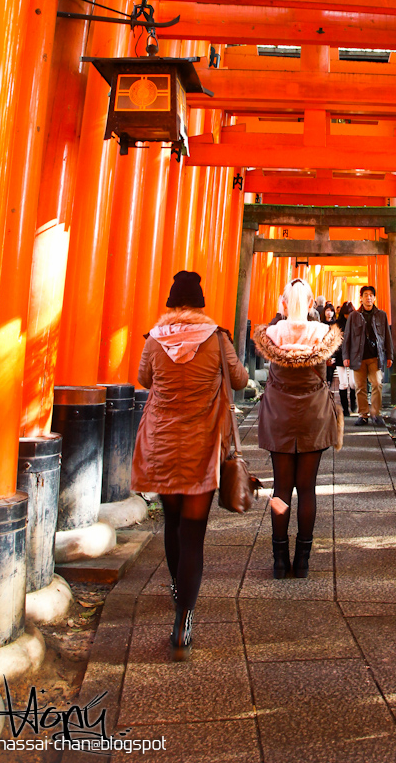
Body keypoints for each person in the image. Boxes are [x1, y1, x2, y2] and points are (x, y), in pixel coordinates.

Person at [131, 270, 249, 660]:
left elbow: (144, 379)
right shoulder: (216, 338)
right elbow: (239, 380)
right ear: (200, 304)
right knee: (193, 534)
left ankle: (176, 589)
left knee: (173, 523)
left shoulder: (154, 339)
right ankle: (183, 623)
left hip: (163, 443)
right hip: (202, 444)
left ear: (171, 304)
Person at [253, 279, 342, 579]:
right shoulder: (322, 333)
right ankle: (302, 560)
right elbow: (325, 374)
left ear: (284, 303)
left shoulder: (272, 334)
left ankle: (279, 560)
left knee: (281, 488)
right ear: (310, 303)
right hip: (313, 416)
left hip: (279, 415)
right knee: (307, 489)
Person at [342, 285, 394, 425]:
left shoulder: (381, 315)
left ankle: (376, 413)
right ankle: (363, 414)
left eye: (371, 295)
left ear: (374, 298)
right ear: (361, 298)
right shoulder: (354, 316)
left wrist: (390, 355)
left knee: (377, 383)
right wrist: (346, 357)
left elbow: (387, 336)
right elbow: (347, 337)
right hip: (358, 356)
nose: (368, 297)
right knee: (360, 387)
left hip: (375, 357)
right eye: (366, 295)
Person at [335, 301, 357, 419]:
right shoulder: (338, 325)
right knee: (343, 383)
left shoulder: (357, 323)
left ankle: (353, 403)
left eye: (350, 313)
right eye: (346, 313)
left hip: (353, 355)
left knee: (353, 382)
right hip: (340, 356)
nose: (348, 316)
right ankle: (345, 408)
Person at [323, 303, 338, 386]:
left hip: (333, 351)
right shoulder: (321, 324)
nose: (329, 313)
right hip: (323, 350)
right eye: (328, 310)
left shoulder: (336, 324)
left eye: (331, 311)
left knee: (330, 373)